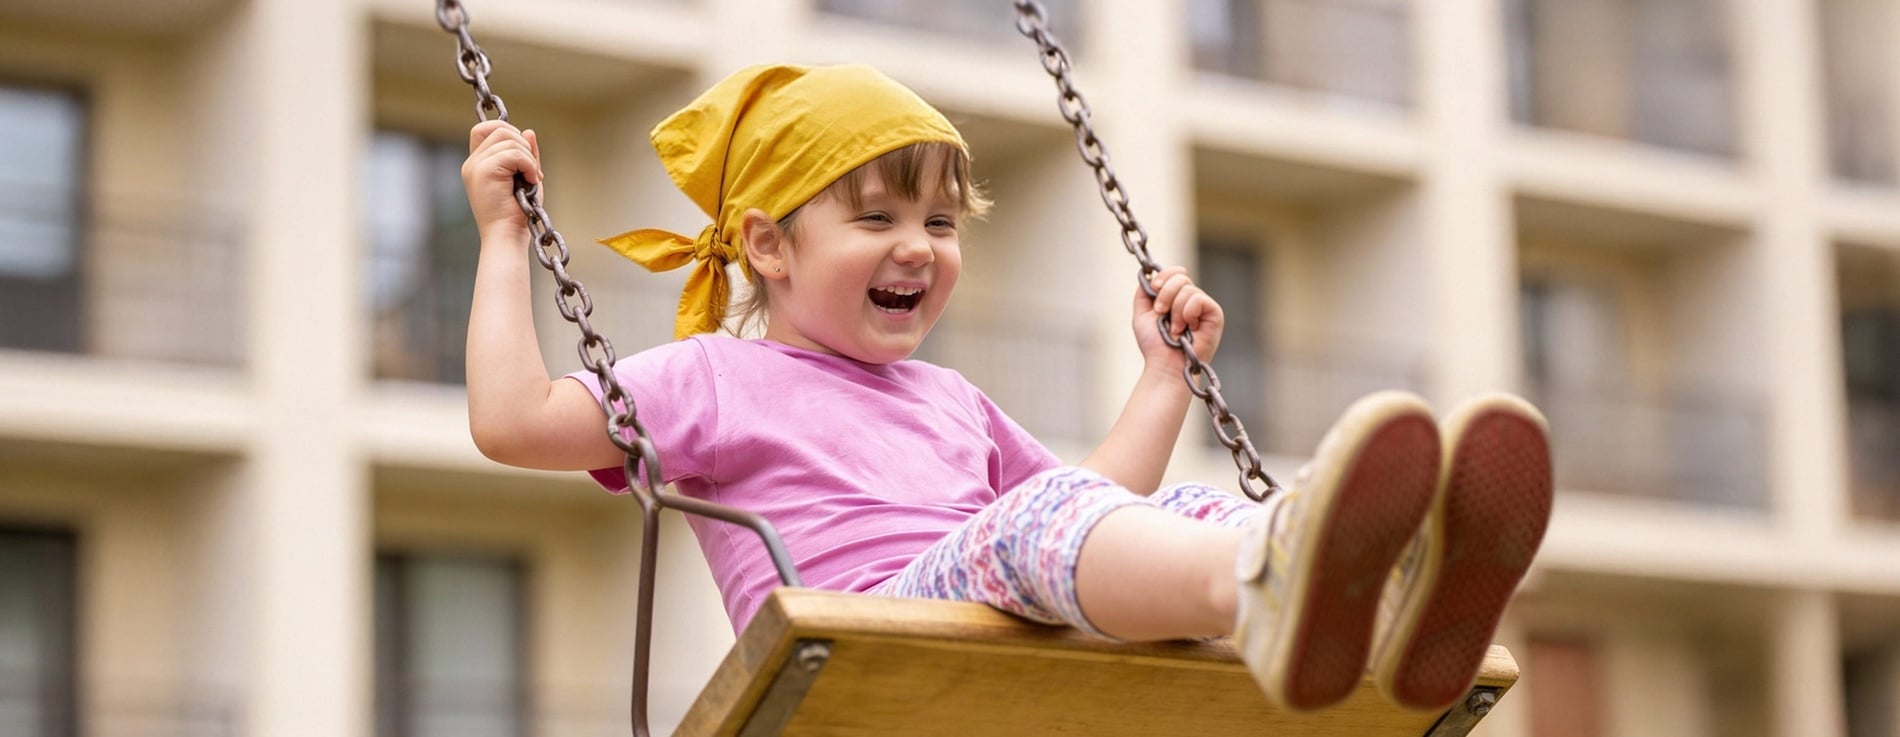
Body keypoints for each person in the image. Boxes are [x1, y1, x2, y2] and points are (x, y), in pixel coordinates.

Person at [459, 63, 1553, 714]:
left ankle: (1374, 592)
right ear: (769, 246)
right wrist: (505, 238)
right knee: (1037, 519)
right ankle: (1273, 578)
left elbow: (1096, 517)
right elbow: (512, 423)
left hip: (985, 613)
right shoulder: (709, 374)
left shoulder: (949, 397)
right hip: (864, 636)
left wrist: (1163, 378)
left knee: (1170, 510)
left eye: (939, 223)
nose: (918, 247)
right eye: (877, 219)